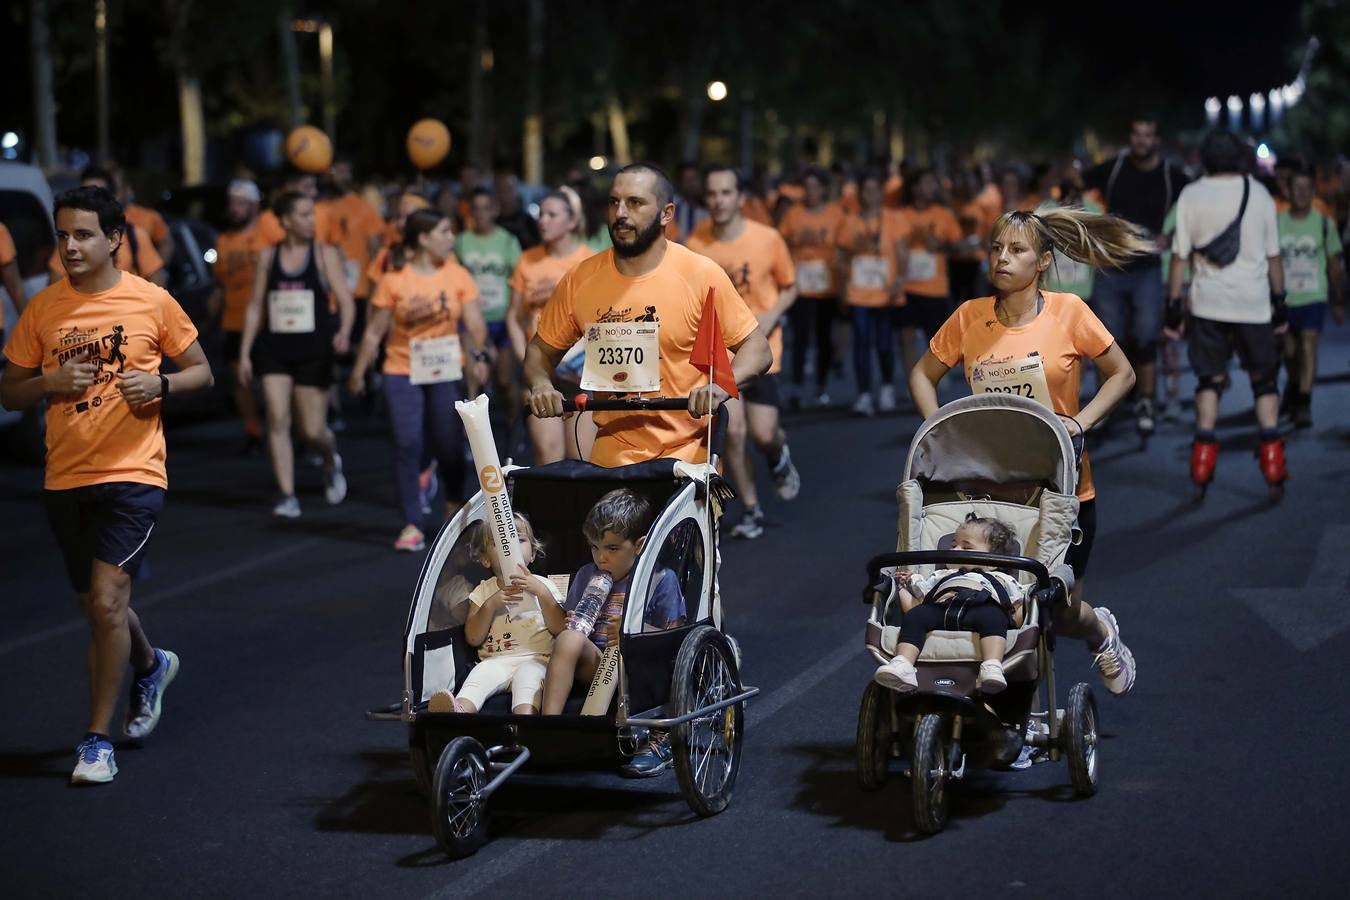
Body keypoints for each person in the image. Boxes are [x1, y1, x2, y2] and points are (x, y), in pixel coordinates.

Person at [0, 186, 214, 784]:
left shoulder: (152, 301)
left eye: (84, 234)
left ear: (116, 238)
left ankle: (96, 742)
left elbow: (202, 370)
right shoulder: (44, 309)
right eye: (63, 235)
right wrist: (49, 381)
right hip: (66, 476)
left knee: (105, 602)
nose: (70, 246)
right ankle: (150, 665)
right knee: (98, 609)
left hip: (135, 474)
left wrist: (163, 385)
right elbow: (9, 389)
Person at [909, 205, 1147, 696]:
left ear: (1042, 261)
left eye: (1016, 250)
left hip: (1063, 493)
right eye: (996, 248)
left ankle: (1100, 630)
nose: (1002, 258)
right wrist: (940, 429)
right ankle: (1011, 724)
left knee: (1057, 612)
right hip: (988, 493)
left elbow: (1123, 374)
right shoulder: (969, 317)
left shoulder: (1069, 312)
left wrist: (1080, 422)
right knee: (1002, 606)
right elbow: (922, 374)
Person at [524, 163, 772, 467]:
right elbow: (540, 350)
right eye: (614, 202)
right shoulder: (581, 279)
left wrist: (719, 388)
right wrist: (541, 384)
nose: (621, 213)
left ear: (666, 214)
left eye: (635, 202)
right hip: (613, 455)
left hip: (688, 457)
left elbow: (758, 348)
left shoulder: (700, 274)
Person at [349, 209, 489, 550]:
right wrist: (358, 371)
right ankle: (412, 522)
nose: (451, 238)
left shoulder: (457, 275)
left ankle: (453, 506)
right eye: (444, 231)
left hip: (446, 368)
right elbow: (374, 332)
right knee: (407, 443)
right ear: (423, 238)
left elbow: (474, 324)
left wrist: (478, 356)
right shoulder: (394, 279)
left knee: (449, 444)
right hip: (403, 369)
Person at [1166, 129, 1286, 492]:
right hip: (1253, 304)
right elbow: (1274, 257)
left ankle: (1202, 460)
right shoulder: (1260, 193)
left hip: (1208, 304)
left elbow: (1179, 258)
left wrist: (1173, 307)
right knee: (1263, 381)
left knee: (1208, 380)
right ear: (1239, 157)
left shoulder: (1191, 194)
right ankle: (1272, 460)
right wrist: (1280, 304)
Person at [687, 166, 802, 540]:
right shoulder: (696, 243)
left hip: (762, 350)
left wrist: (772, 314)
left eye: (726, 193)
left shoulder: (767, 239)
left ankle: (777, 455)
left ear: (740, 198)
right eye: (712, 194)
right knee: (733, 433)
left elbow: (791, 286)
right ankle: (751, 508)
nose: (719, 201)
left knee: (764, 434)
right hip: (720, 355)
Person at [539, 489, 685, 775]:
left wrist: (637, 632)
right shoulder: (585, 575)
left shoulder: (660, 580)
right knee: (569, 637)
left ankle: (658, 737)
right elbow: (567, 630)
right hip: (595, 665)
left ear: (639, 545)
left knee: (638, 647)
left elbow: (674, 641)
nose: (601, 558)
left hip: (636, 673)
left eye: (612, 548)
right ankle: (548, 728)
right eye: (594, 547)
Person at [237, 191, 355, 518]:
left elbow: (344, 300)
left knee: (312, 430)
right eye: (303, 215)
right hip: (275, 348)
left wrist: (344, 332)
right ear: (285, 221)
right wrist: (245, 353)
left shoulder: (323, 254)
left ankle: (331, 460)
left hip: (314, 349)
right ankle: (287, 494)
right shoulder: (267, 257)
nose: (311, 220)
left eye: (311, 214)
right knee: (276, 417)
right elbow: (255, 305)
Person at [1083, 116, 1188, 437]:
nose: (1142, 140)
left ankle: (1145, 400)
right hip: (1111, 268)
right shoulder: (1114, 169)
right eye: (1137, 134)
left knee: (1145, 339)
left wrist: (1172, 235)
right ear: (1131, 136)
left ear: (1156, 139)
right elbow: (1076, 184)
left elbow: (1195, 206)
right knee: (1105, 343)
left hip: (1146, 271)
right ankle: (1104, 408)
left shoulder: (1171, 176)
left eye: (1148, 134)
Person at [873, 515, 1028, 694]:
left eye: (966, 546)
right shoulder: (941, 575)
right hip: (941, 609)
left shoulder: (1003, 579)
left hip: (982, 609)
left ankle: (991, 665)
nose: (955, 549)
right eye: (954, 545)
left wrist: (1031, 601)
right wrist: (902, 586)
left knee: (996, 617)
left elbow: (1017, 605)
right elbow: (920, 600)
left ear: (993, 558)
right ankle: (903, 663)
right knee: (917, 615)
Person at [429, 513, 564, 714]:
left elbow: (560, 628)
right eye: (500, 542)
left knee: (528, 681)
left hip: (538, 658)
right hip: (495, 661)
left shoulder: (545, 586)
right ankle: (458, 711)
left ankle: (525, 720)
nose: (510, 547)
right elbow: (474, 638)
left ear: (533, 553)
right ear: (485, 559)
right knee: (478, 676)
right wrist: (490, 606)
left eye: (519, 540)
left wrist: (542, 594)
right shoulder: (482, 592)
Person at [507, 188, 594, 464]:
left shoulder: (588, 261)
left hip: (579, 374)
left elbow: (600, 316)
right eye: (540, 214)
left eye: (551, 214)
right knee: (548, 456)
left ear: (571, 221)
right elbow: (514, 315)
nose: (543, 220)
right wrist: (527, 361)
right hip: (542, 372)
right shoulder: (527, 261)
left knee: (580, 457)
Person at [836, 170, 910, 416]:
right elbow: (841, 256)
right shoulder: (850, 220)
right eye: (866, 191)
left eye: (876, 190)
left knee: (884, 342)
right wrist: (843, 286)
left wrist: (900, 280)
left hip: (886, 290)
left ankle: (887, 386)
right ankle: (864, 394)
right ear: (860, 195)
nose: (872, 195)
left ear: (881, 193)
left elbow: (902, 251)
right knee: (861, 342)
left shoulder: (894, 218)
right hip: (859, 291)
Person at [1277, 165, 1344, 428]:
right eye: (1297, 188)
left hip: (1314, 297)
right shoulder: (1276, 222)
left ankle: (1304, 401)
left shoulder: (1324, 224)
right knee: (1291, 353)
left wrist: (1338, 300)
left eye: (1307, 188)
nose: (1302, 193)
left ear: (1313, 191)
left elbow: (1334, 264)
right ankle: (1294, 386)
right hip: (1285, 300)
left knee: (1308, 345)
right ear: (1288, 191)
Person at [779, 167, 845, 407]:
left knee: (824, 337)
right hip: (801, 285)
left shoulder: (836, 214)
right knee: (800, 337)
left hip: (827, 284)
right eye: (807, 187)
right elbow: (780, 242)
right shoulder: (793, 214)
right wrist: (797, 240)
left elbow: (843, 245)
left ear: (824, 189)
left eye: (816, 187)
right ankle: (796, 386)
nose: (811, 192)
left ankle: (821, 385)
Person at [209, 179, 266, 452]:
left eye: (240, 203)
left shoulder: (269, 232)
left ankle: (283, 424)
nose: (234, 209)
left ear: (254, 205)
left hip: (267, 320)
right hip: (235, 319)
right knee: (241, 379)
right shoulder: (223, 240)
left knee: (268, 378)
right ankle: (253, 429)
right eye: (232, 203)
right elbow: (220, 282)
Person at [456, 187, 524, 409]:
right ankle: (471, 438)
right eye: (476, 209)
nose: (480, 213)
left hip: (501, 319)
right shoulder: (462, 241)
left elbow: (518, 281)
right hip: (471, 320)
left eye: (486, 208)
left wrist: (514, 317)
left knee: (505, 380)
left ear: (495, 210)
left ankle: (516, 433)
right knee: (472, 378)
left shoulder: (508, 241)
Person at [896, 169, 964, 381]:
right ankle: (912, 381)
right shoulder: (901, 215)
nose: (930, 188)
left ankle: (934, 379)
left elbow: (958, 246)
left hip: (935, 287)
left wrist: (940, 245)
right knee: (906, 336)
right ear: (915, 188)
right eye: (926, 183)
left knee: (935, 339)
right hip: (907, 286)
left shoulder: (943, 215)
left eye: (932, 183)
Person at [48, 167, 166, 287]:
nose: (89, 201)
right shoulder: (69, 242)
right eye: (84, 195)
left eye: (97, 195)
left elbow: (158, 283)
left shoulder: (135, 234)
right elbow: (56, 286)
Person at [320, 157, 385, 316]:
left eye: (344, 172)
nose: (338, 176)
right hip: (323, 291)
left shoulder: (364, 208)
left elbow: (375, 250)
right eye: (334, 170)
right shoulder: (315, 208)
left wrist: (374, 288)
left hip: (356, 291)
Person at [494, 169, 540, 249]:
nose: (504, 194)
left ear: (516, 191)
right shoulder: (491, 221)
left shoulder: (528, 222)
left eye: (508, 189)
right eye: (501, 190)